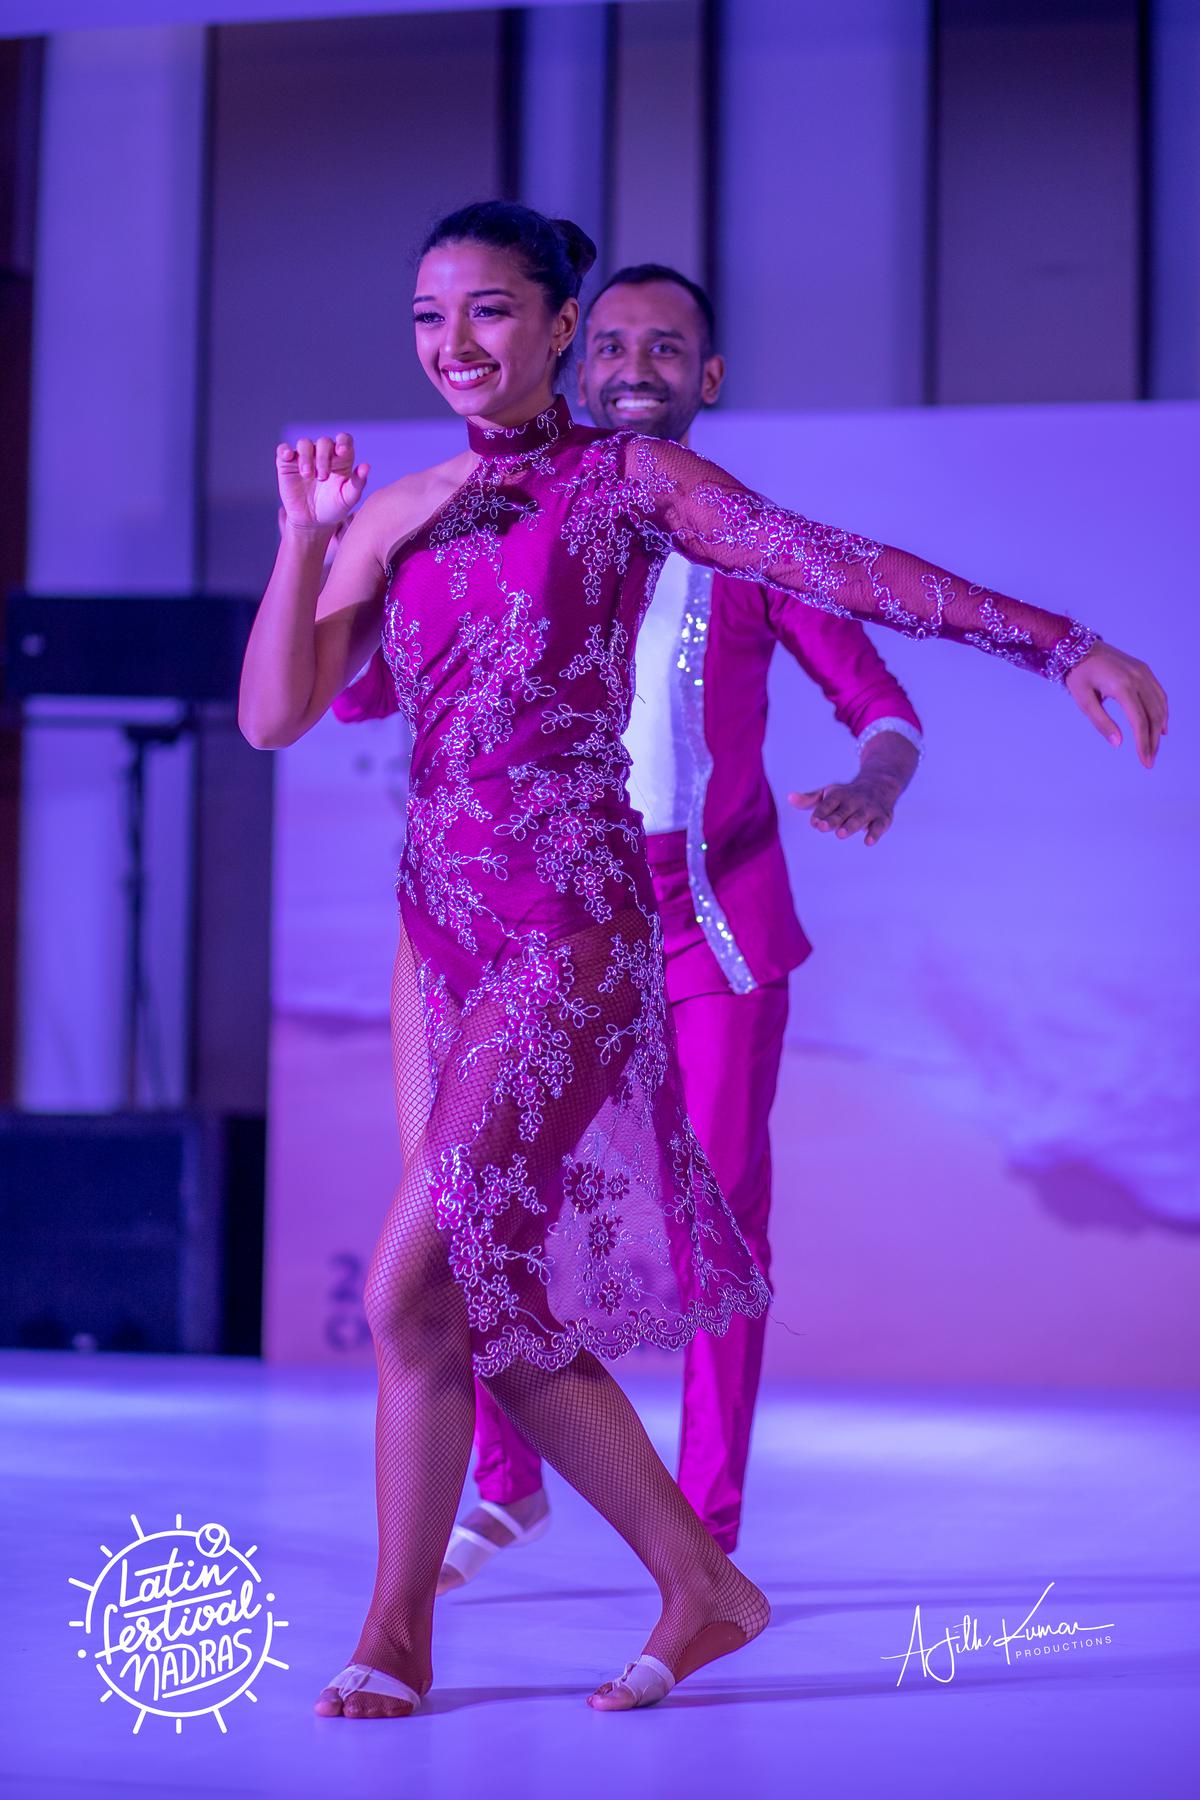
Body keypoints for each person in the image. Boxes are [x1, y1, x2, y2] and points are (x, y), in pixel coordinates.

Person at [238, 200, 1166, 1722]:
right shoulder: (396, 512)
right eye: (426, 316)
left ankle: (415, 1616)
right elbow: (274, 715)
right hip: (437, 937)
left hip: (570, 935)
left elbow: (841, 566)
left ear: (556, 330)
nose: (454, 345)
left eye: (488, 313)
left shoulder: (628, 481)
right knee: (476, 1291)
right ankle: (684, 1587)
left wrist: (1061, 644)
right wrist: (302, 541)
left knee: (418, 1281)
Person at [434, 264, 924, 1589]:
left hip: (711, 925)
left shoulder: (746, 538)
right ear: (574, 364)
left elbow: (878, 699)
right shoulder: (509, 520)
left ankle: (703, 1537)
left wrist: (875, 780)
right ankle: (504, 1479)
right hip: (553, 922)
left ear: (707, 381)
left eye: (670, 345)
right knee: (480, 1207)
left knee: (722, 1236)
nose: (634, 362)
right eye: (613, 341)